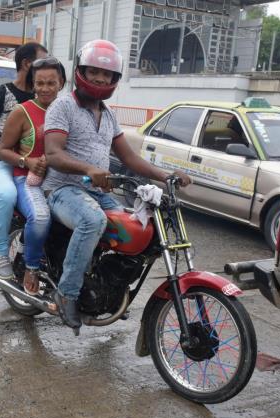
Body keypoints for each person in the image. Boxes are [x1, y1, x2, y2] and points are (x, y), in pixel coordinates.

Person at [43, 40, 192, 329]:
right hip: (62, 190)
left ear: (115, 79)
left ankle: (111, 290)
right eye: (94, 71)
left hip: (97, 192)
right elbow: (53, 153)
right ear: (81, 71)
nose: (100, 78)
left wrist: (166, 175)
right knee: (92, 220)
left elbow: (129, 157)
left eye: (107, 74)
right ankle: (67, 293)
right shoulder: (63, 106)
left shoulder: (109, 116)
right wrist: (88, 168)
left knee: (138, 227)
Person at [0, 41, 49, 280]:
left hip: (38, 165)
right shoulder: (2, 94)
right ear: (27, 64)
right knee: (6, 194)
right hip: (1, 162)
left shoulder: (45, 96)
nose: (47, 70)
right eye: (42, 61)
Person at [0, 57, 66, 295]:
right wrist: (28, 161)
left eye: (51, 83)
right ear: (33, 85)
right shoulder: (22, 112)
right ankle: (31, 267)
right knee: (41, 218)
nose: (45, 88)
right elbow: (2, 150)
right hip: (27, 179)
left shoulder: (69, 111)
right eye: (40, 83)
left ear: (62, 84)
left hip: (61, 181)